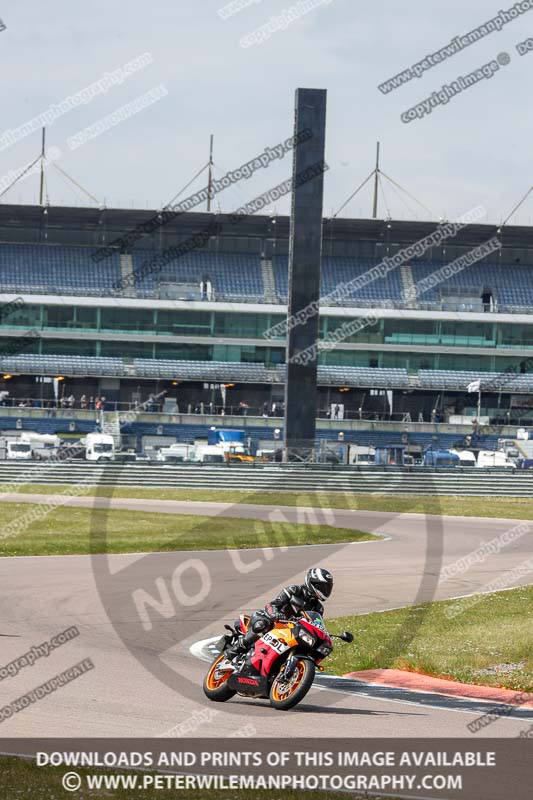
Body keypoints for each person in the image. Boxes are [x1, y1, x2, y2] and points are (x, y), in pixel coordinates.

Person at [225, 568, 334, 663]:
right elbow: (272, 604)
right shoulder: (294, 590)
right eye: (323, 587)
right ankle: (235, 650)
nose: (325, 590)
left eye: (327, 588)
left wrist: (324, 635)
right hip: (272, 619)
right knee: (263, 624)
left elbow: (315, 623)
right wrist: (275, 614)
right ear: (312, 583)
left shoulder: (318, 607)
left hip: (290, 630)